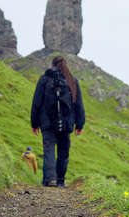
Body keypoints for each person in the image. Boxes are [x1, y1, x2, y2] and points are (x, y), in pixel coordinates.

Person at [30, 56, 85, 187]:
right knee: (63, 151)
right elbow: (78, 104)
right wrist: (80, 124)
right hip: (66, 123)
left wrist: (34, 123)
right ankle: (60, 180)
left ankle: (50, 179)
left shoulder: (44, 79)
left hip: (47, 122)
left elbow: (36, 102)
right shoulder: (72, 81)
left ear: (52, 64)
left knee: (49, 149)